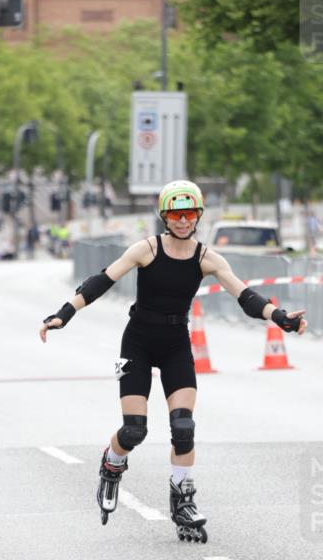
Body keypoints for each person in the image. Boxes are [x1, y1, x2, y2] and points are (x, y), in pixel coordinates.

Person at [39, 180, 307, 541]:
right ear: (165, 216)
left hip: (176, 344)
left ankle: (182, 501)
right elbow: (101, 281)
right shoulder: (146, 249)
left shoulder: (206, 257)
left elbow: (245, 295)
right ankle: (112, 464)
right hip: (137, 342)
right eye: (176, 214)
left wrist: (281, 317)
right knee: (134, 430)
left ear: (198, 216)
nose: (182, 221)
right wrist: (62, 314)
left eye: (190, 214)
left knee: (183, 428)